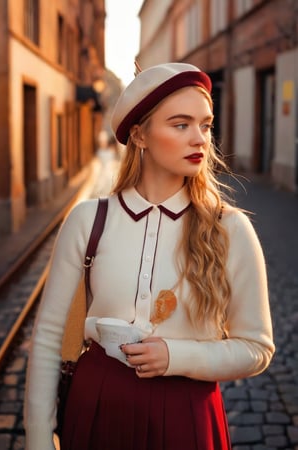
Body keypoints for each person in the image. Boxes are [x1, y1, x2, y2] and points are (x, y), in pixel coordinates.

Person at [24, 62, 275, 450]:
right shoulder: (89, 220)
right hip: (96, 406)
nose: (200, 139)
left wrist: (176, 355)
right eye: (181, 125)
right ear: (139, 135)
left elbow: (256, 348)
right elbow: (49, 340)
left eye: (205, 125)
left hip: (186, 415)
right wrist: (38, 442)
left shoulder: (231, 229)